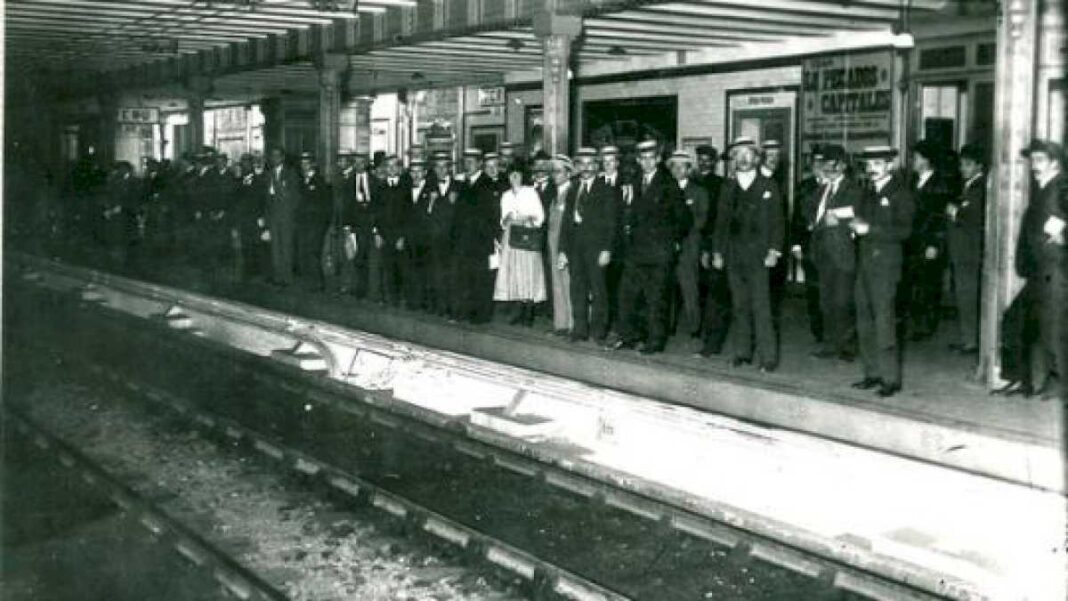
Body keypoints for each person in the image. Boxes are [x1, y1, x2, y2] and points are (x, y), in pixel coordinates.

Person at [711, 137, 785, 372]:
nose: (743, 159)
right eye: (738, 155)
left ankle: (768, 358)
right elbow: (720, 224)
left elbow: (778, 222)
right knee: (739, 306)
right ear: (732, 160)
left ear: (756, 157)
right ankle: (742, 353)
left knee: (762, 308)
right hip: (734, 256)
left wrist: (774, 250)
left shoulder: (768, 186)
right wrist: (717, 252)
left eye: (748, 154)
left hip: (759, 257)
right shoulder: (728, 187)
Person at [612, 139, 691, 355]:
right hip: (636, 252)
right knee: (627, 296)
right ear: (638, 160)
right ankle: (629, 336)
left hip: (658, 253)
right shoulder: (635, 182)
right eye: (642, 158)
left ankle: (655, 341)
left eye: (650, 158)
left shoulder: (668, 183)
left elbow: (684, 219)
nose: (646, 162)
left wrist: (670, 241)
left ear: (658, 159)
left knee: (656, 299)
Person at [850, 145, 915, 397]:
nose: (872, 169)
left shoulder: (901, 194)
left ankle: (890, 379)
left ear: (889, 165)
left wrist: (870, 230)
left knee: (884, 322)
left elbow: (905, 231)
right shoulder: (868, 193)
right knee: (864, 320)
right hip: (865, 264)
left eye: (877, 164)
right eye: (869, 165)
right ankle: (871, 373)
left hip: (886, 267)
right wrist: (855, 226)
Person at [1009, 140, 1067, 398]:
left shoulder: (1061, 186)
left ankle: (1057, 382)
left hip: (1056, 270)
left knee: (1052, 326)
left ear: (1054, 162)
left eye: (1040, 160)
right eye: (1032, 160)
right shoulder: (1042, 187)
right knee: (1017, 320)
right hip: (1039, 270)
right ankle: (1023, 380)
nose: (1034, 165)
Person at [798, 144, 860, 361]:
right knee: (826, 301)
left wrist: (835, 215)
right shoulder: (822, 188)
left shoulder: (852, 188)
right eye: (823, 164)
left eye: (831, 164)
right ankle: (830, 344)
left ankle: (847, 347)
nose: (826, 168)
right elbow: (808, 209)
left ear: (843, 165)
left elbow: (855, 209)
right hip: (822, 253)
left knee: (843, 301)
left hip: (842, 254)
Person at [559, 148, 618, 343]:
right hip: (575, 248)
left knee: (599, 290)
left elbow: (611, 223)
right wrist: (562, 250)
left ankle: (599, 331)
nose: (585, 168)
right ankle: (580, 330)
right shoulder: (573, 189)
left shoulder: (606, 189)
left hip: (596, 248)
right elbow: (566, 222)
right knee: (577, 289)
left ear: (596, 165)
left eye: (590, 163)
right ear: (576, 166)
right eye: (581, 164)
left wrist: (607, 249)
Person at [904, 139, 952, 340]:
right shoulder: (912, 181)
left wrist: (935, 244)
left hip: (928, 242)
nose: (912, 161)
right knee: (914, 283)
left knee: (928, 284)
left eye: (915, 157)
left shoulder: (939, 184)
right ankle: (916, 323)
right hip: (913, 241)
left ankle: (926, 326)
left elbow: (940, 218)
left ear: (926, 160)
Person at [449, 148, 501, 324]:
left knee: (480, 279)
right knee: (464, 278)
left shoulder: (487, 184)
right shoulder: (463, 184)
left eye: (471, 162)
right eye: (465, 162)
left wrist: (490, 238)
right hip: (463, 240)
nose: (467, 165)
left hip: (480, 240)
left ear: (480, 163)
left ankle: (481, 315)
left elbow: (492, 214)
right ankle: (464, 312)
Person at [946, 144, 987, 355]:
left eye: (968, 164)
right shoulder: (968, 186)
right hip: (962, 252)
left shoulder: (979, 188)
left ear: (979, 166)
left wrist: (954, 213)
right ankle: (968, 338)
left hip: (969, 254)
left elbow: (973, 217)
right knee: (964, 296)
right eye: (961, 164)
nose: (963, 168)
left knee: (968, 296)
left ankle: (971, 341)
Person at [494, 164, 547, 325]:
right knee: (514, 273)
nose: (514, 178)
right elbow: (502, 222)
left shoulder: (530, 192)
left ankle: (529, 311)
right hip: (511, 236)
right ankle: (518, 309)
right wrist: (507, 218)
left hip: (527, 235)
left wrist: (527, 218)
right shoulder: (506, 195)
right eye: (511, 175)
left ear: (522, 176)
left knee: (528, 271)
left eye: (517, 174)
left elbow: (540, 216)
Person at [667, 150, 709, 340]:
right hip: (667, 245)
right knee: (666, 285)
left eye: (681, 166)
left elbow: (701, 220)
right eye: (674, 166)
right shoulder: (665, 189)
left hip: (689, 245)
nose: (677, 170)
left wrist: (683, 235)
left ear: (689, 169)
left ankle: (695, 326)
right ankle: (669, 324)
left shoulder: (698, 191)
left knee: (689, 285)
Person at [791, 145, 827, 346]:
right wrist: (796, 244)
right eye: (816, 163)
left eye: (822, 163)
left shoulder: (834, 186)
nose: (819, 167)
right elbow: (796, 217)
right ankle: (818, 330)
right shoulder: (804, 186)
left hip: (829, 248)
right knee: (813, 290)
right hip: (808, 245)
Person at [370, 154, 411, 305]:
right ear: (385, 169)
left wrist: (403, 236)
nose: (391, 169)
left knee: (401, 266)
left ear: (400, 169)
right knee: (386, 266)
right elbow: (374, 213)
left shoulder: (406, 188)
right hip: (384, 234)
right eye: (388, 166)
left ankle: (401, 297)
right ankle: (388, 298)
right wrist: (376, 233)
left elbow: (409, 214)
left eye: (395, 166)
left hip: (399, 235)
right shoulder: (379, 188)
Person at [426, 152, 460, 316]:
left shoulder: (459, 186)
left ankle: (452, 308)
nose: (440, 170)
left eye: (443, 166)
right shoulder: (428, 186)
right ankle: (439, 307)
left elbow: (464, 215)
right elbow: (424, 214)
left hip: (453, 239)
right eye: (437, 167)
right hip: (435, 238)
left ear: (449, 168)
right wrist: (431, 202)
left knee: (453, 275)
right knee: (436, 273)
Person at [546, 154, 575, 335]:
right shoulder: (554, 195)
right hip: (553, 244)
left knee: (569, 284)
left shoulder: (572, 193)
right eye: (552, 172)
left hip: (566, 246)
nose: (554, 175)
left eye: (558, 171)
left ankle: (573, 325)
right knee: (557, 284)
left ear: (568, 173)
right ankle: (561, 324)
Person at [265, 147, 302, 287]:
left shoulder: (291, 173)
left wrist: (291, 213)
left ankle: (287, 278)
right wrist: (267, 218)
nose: (274, 159)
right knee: (275, 248)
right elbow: (267, 199)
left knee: (287, 247)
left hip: (287, 217)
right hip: (274, 217)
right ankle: (278, 276)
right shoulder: (269, 174)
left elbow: (296, 197)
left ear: (282, 158)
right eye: (272, 156)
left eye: (277, 156)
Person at [403, 158, 435, 310]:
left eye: (419, 171)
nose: (416, 175)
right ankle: (412, 301)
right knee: (410, 269)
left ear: (425, 173)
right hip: (410, 237)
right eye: (413, 172)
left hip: (425, 238)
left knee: (425, 270)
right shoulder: (405, 189)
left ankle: (424, 302)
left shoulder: (431, 191)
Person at [296, 151, 330, 291]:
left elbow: (324, 204)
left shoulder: (320, 181)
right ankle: (309, 281)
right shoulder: (302, 181)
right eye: (302, 164)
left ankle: (318, 282)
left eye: (307, 163)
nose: (304, 166)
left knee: (314, 252)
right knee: (305, 251)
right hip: (304, 223)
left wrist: (322, 223)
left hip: (316, 224)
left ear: (313, 165)